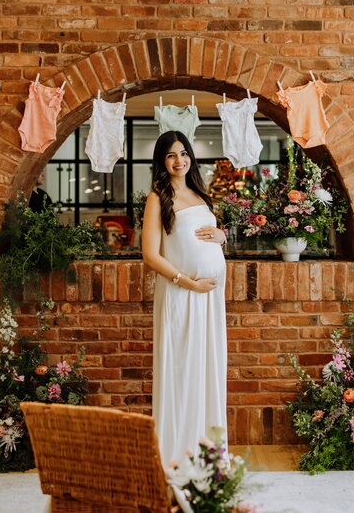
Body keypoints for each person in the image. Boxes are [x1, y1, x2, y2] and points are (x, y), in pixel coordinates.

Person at [142, 130, 228, 467]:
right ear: (162, 162)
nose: (180, 161)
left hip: (209, 299)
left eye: (184, 153)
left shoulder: (200, 194)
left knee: (207, 368)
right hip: (181, 294)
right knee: (181, 369)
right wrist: (187, 282)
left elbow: (211, 238)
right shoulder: (156, 197)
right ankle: (176, 454)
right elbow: (150, 255)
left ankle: (206, 451)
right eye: (171, 155)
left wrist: (222, 236)